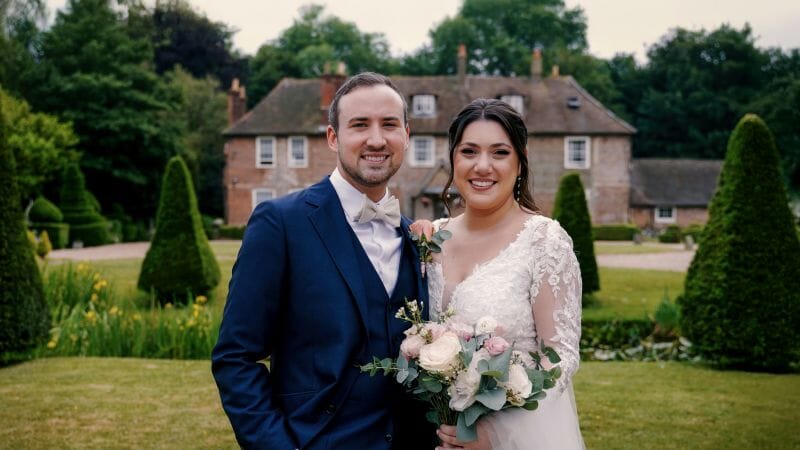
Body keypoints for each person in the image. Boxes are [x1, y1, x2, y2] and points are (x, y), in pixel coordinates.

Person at [212, 72, 434, 449]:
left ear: (407, 135)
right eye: (360, 125)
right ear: (333, 137)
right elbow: (236, 357)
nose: (376, 139)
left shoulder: (418, 239)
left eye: (389, 125)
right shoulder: (281, 223)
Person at [412, 98, 585, 450]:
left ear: (520, 163)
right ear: (454, 160)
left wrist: (496, 435)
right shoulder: (431, 241)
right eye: (469, 151)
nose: (482, 166)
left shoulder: (543, 241)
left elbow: (560, 359)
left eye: (500, 153)